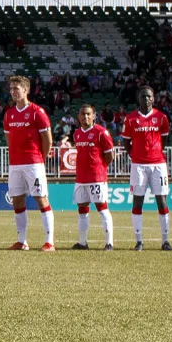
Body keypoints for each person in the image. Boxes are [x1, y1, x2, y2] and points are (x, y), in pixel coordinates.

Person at [2, 75, 55, 251]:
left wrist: (42, 158)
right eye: (11, 89)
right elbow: (9, 138)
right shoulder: (9, 114)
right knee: (17, 200)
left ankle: (49, 241)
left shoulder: (37, 112)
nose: (13, 92)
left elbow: (47, 139)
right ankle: (22, 240)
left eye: (16, 88)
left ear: (26, 90)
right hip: (15, 164)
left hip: (34, 162)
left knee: (41, 199)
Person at [122, 86, 172, 251]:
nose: (146, 99)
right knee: (138, 201)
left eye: (149, 96)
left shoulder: (161, 118)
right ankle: (139, 241)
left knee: (162, 201)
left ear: (153, 98)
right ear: (139, 98)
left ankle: (165, 241)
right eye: (143, 96)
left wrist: (155, 153)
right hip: (138, 165)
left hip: (158, 164)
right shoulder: (130, 119)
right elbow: (126, 142)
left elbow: (164, 140)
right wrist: (136, 156)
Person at [70, 103, 117, 250]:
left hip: (97, 178)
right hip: (81, 178)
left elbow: (109, 156)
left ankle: (109, 243)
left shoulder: (102, 132)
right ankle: (83, 243)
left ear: (94, 116)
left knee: (102, 208)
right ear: (79, 117)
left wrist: (99, 169)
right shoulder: (76, 134)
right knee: (82, 210)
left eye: (89, 114)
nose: (86, 117)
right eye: (83, 114)